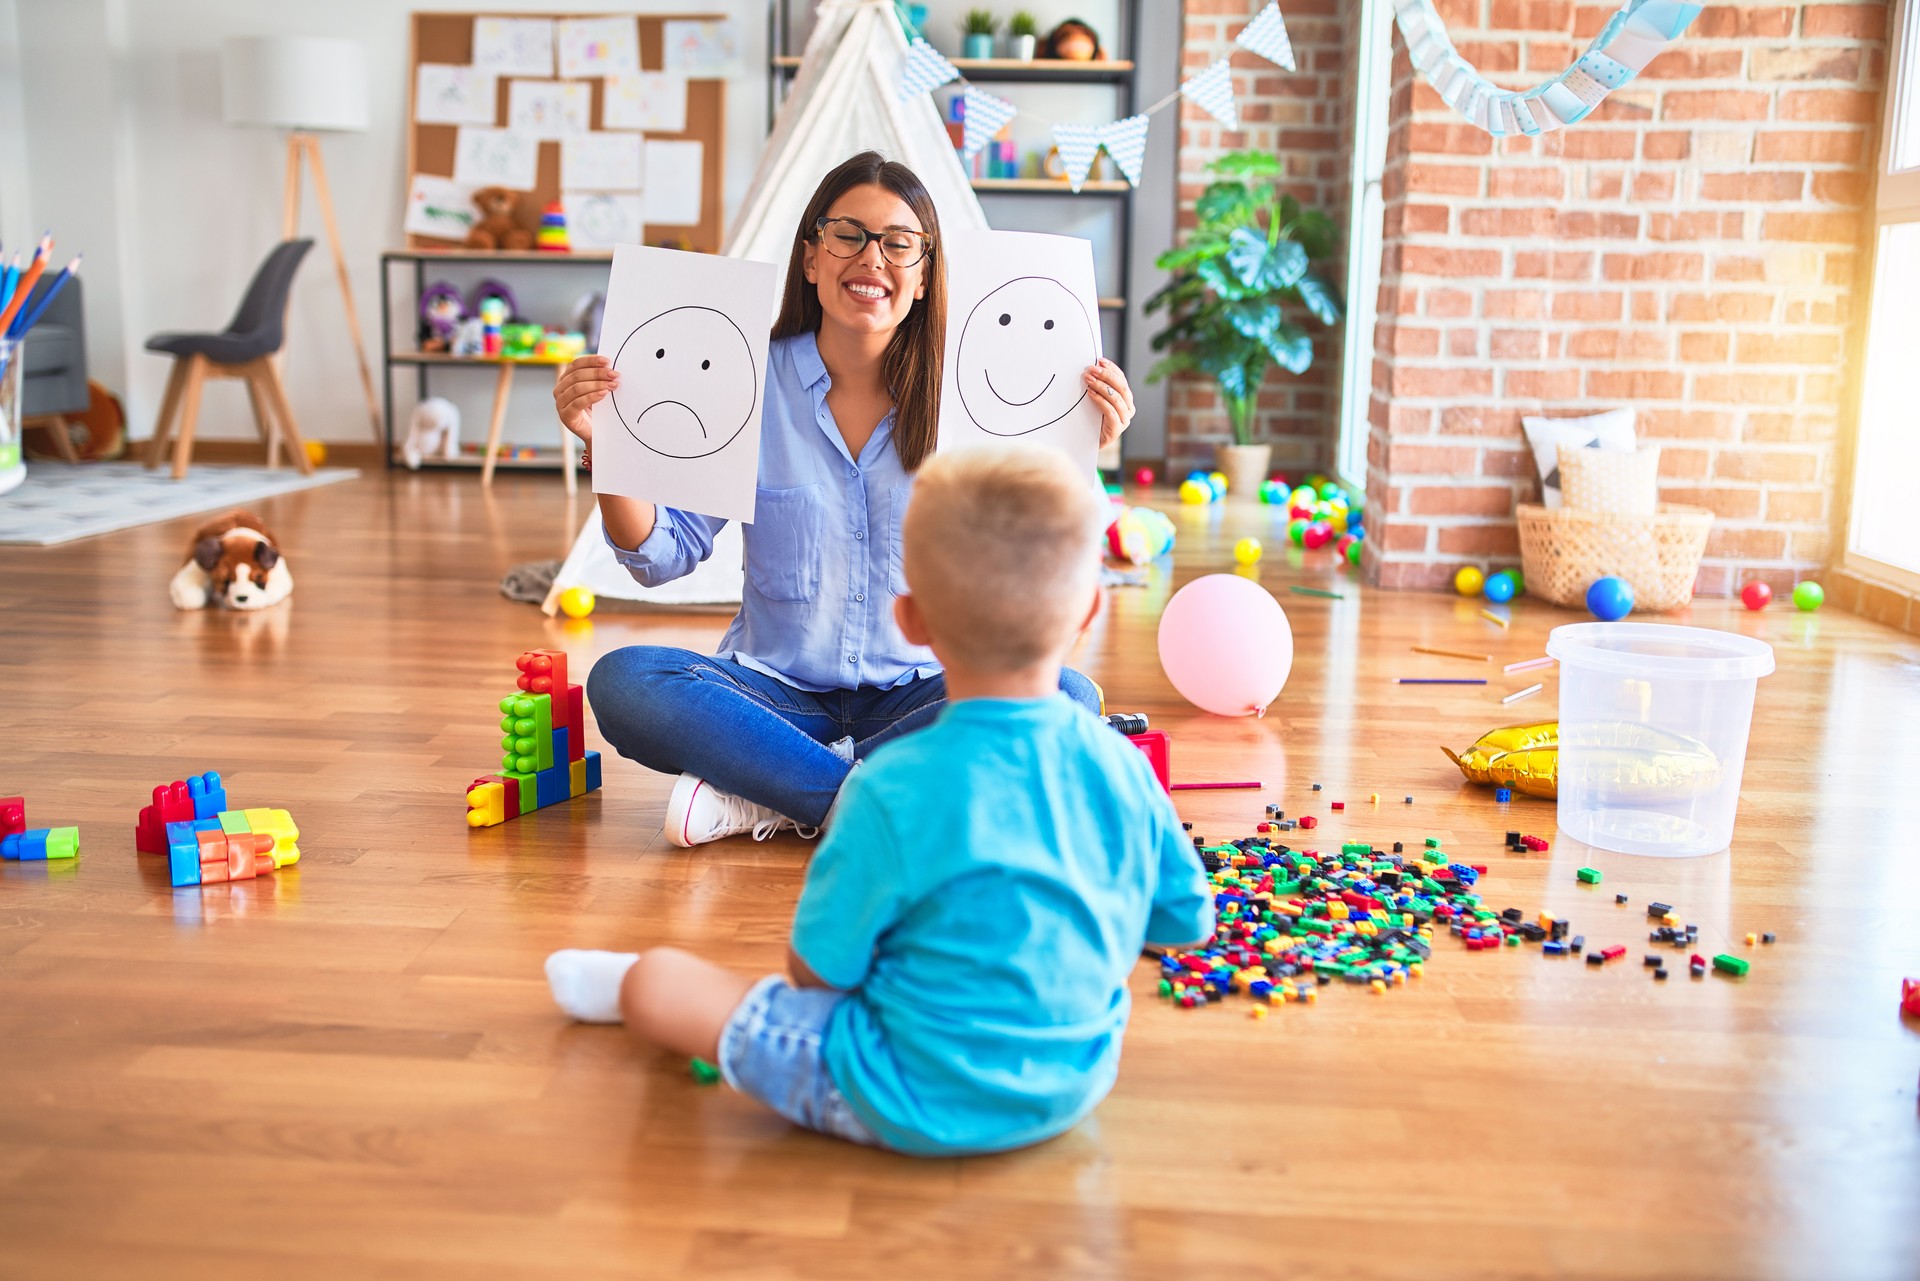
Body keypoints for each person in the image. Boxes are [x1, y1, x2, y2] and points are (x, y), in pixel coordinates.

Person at [545, 444, 1214, 1155]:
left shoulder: (891, 789)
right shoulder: (1121, 767)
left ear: (913, 620)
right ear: (1089, 610)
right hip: (1073, 1085)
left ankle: (754, 806)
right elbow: (1182, 923)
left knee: (660, 982)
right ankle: (774, 785)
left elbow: (818, 974)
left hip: (891, 1086)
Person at [551, 151, 1137, 847]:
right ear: (811, 257)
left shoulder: (974, 398)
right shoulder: (748, 380)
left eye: (899, 243)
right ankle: (869, 800)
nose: (872, 258)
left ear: (923, 277)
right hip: (772, 700)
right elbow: (661, 558)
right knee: (624, 679)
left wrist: (1078, 450)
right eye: (848, 235)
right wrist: (612, 447)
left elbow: (1029, 561)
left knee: (1069, 696)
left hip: (920, 693)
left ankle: (773, 794)